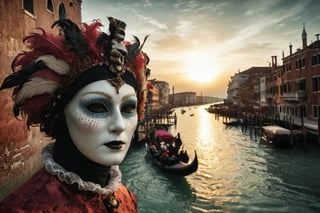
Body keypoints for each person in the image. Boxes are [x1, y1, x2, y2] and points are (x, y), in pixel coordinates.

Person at [0, 17, 149, 212]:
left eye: (129, 109)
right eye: (96, 107)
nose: (119, 125)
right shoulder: (21, 209)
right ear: (59, 115)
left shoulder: (126, 197)